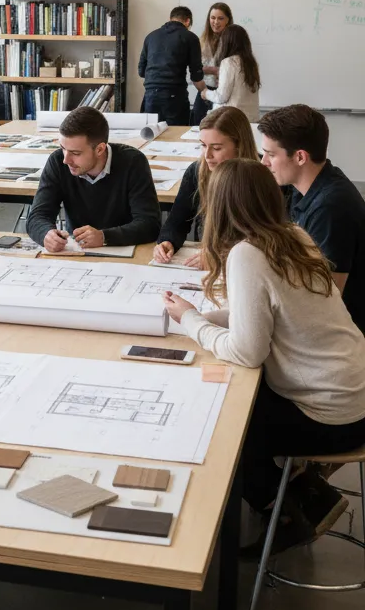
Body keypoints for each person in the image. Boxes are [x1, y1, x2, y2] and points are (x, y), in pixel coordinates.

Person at [164, 160, 365, 554]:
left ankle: (289, 508)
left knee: (220, 423)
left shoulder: (247, 253)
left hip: (331, 416)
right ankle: (302, 493)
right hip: (355, 396)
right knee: (234, 403)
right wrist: (202, 318)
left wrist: (190, 320)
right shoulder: (292, 235)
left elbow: (247, 350)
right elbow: (266, 316)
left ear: (220, 207)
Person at [259, 104, 365, 331]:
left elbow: (326, 297)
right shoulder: (306, 187)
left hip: (341, 336)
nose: (264, 163)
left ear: (299, 157)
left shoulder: (331, 208)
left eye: (271, 154)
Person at [26, 106, 160, 252]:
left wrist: (104, 237)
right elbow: (37, 216)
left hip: (126, 249)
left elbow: (150, 224)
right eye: (63, 148)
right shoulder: (58, 161)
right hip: (78, 251)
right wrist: (46, 234)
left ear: (100, 149)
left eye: (75, 153)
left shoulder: (133, 162)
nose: (66, 159)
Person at [153, 106, 259, 267]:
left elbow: (265, 239)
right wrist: (168, 241)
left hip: (245, 265)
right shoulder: (197, 171)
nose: (207, 155)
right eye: (203, 145)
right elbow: (177, 221)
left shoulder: (261, 178)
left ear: (239, 146)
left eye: (216, 148)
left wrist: (222, 256)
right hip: (204, 263)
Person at [137, 6, 207, 126]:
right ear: (188, 21)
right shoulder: (190, 37)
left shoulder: (151, 36)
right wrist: (205, 93)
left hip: (150, 96)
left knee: (151, 136)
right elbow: (196, 75)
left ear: (170, 19)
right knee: (176, 136)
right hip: (174, 97)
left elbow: (141, 71)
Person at [201, 23, 261, 121]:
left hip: (232, 121)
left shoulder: (229, 62)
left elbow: (222, 97)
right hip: (251, 119)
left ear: (226, 42)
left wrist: (205, 93)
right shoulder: (251, 63)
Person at [191, 2, 233, 126]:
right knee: (197, 124)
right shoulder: (202, 40)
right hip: (204, 90)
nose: (216, 22)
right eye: (213, 18)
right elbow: (195, 67)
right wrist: (210, 70)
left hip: (224, 92)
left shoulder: (232, 41)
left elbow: (234, 68)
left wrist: (215, 70)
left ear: (228, 20)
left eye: (220, 18)